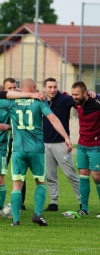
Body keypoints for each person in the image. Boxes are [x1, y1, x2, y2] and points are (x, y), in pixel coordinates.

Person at [0, 78, 72, 226]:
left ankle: (16, 220)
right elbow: (53, 119)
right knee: (40, 182)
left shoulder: (12, 102)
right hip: (36, 149)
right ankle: (37, 214)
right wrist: (66, 137)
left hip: (18, 150)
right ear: (32, 88)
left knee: (17, 185)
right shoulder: (39, 102)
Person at [43, 77, 81, 212]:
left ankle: (83, 203)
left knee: (71, 175)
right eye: (50, 87)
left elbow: (80, 97)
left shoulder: (65, 100)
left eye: (55, 87)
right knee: (50, 176)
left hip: (62, 144)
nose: (53, 90)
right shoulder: (40, 101)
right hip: (46, 144)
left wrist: (93, 92)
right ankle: (53, 203)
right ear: (44, 88)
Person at [0, 78, 27, 211]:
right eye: (9, 88)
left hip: (18, 141)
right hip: (1, 143)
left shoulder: (19, 102)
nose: (12, 90)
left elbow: (24, 123)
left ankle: (20, 201)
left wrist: (9, 126)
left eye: (14, 88)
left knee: (19, 171)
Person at [71, 81, 100, 216]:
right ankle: (85, 209)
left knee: (96, 177)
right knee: (83, 176)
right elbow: (60, 97)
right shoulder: (76, 103)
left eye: (76, 95)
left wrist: (96, 93)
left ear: (85, 93)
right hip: (82, 146)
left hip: (96, 146)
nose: (74, 97)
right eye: (73, 95)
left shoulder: (96, 103)